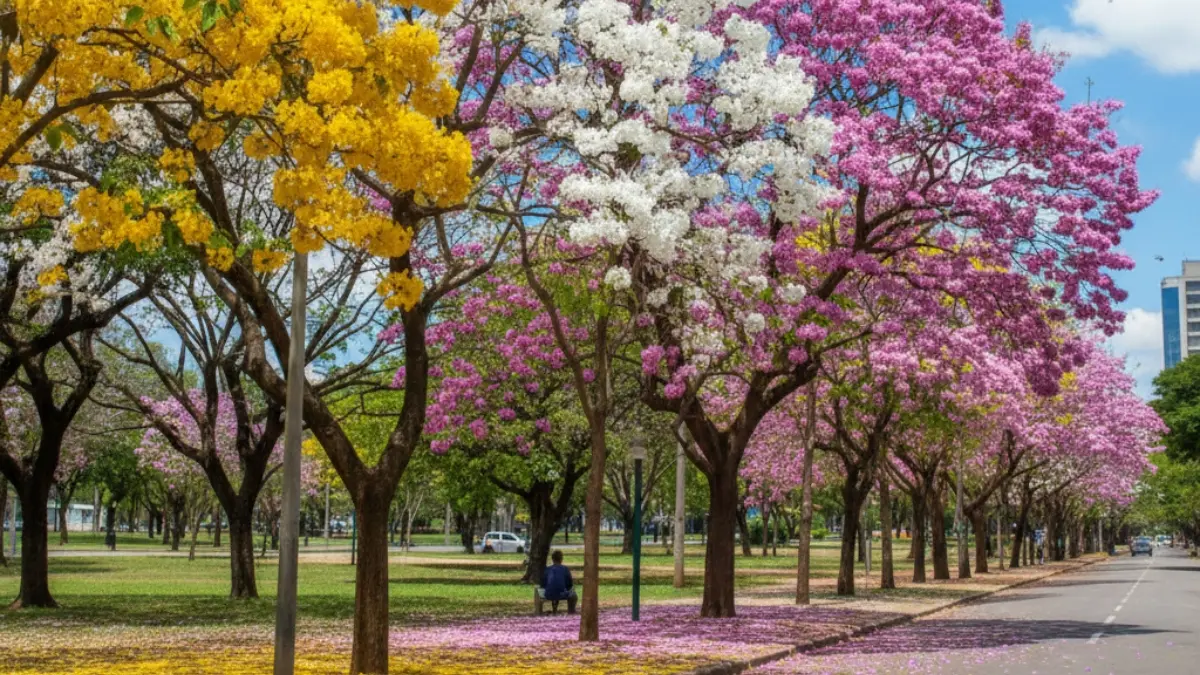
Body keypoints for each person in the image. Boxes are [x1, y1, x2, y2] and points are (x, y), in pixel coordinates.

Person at [541, 550, 577, 614]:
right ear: (561, 559)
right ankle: (571, 613)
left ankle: (548, 611)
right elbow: (569, 584)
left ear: (552, 559)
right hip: (562, 594)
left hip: (548, 594)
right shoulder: (565, 569)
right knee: (573, 595)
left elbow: (543, 584)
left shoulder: (547, 569)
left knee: (554, 589)